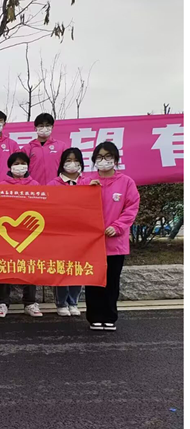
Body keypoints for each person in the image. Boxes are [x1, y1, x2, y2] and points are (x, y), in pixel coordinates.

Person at [84, 142, 140, 332]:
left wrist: (117, 227)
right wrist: (86, 191)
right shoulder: (87, 181)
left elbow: (131, 208)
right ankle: (94, 317)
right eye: (100, 157)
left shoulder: (126, 182)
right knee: (93, 281)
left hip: (115, 243)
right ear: (94, 160)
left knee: (112, 281)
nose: (104, 161)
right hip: (92, 243)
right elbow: (76, 207)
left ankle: (109, 317)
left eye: (108, 157)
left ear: (116, 159)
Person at [0, 152, 42, 318]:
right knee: (4, 266)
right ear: (10, 166)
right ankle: (1, 302)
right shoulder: (1, 186)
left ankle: (30, 302)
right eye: (16, 163)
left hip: (29, 233)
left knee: (30, 267)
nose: (20, 166)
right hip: (6, 232)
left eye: (23, 163)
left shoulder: (35, 185)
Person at [47, 148, 90, 316]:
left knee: (77, 268)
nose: (72, 164)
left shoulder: (88, 183)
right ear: (62, 163)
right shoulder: (53, 184)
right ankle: (61, 302)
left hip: (81, 234)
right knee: (61, 268)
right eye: (68, 160)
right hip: (60, 234)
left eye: (75, 160)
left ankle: (73, 302)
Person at [24, 113, 67, 187]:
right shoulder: (28, 148)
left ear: (52, 127)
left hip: (57, 188)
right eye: (41, 126)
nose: (44, 128)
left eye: (47, 125)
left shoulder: (62, 146)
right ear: (35, 128)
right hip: (35, 189)